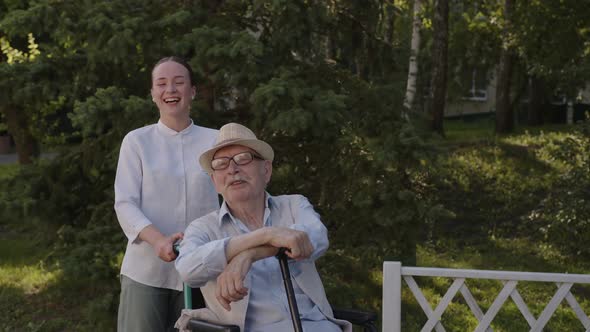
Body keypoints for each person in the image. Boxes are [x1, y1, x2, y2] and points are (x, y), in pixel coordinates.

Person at [174, 122, 352, 332]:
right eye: (221, 163)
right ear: (215, 182)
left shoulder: (294, 205)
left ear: (266, 170)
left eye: (243, 159)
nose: (232, 169)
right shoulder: (203, 228)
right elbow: (188, 269)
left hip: (315, 326)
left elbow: (317, 238)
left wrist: (247, 256)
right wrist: (267, 234)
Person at [114, 56, 220, 332]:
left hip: (204, 270)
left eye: (179, 82)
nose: (170, 90)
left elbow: (234, 196)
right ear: (152, 94)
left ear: (192, 91)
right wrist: (158, 240)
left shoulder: (216, 141)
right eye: (161, 84)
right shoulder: (136, 141)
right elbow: (125, 203)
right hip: (146, 271)